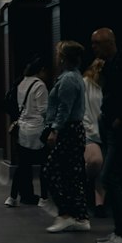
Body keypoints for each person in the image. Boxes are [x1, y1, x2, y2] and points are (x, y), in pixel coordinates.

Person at [43, 41, 90, 233]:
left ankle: (67, 214)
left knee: (53, 171)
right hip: (73, 130)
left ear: (63, 57)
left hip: (68, 131)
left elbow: (64, 108)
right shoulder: (73, 76)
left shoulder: (68, 79)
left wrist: (55, 130)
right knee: (71, 174)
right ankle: (79, 215)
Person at [92, 28, 122, 243]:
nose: (93, 48)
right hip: (110, 126)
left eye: (96, 43)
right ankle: (119, 230)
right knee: (114, 178)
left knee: (110, 176)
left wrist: (120, 119)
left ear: (109, 43)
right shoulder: (110, 65)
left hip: (119, 130)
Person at [6, 59, 48, 206]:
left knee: (22, 165)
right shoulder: (40, 85)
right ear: (40, 70)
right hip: (37, 129)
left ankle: (12, 197)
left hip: (22, 129)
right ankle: (44, 197)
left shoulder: (22, 82)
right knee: (45, 164)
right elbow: (43, 110)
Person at [82, 57, 106, 219]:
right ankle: (79, 185)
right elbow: (82, 108)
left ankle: (99, 204)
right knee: (95, 161)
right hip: (90, 131)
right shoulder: (85, 83)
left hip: (105, 132)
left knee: (103, 170)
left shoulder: (107, 86)